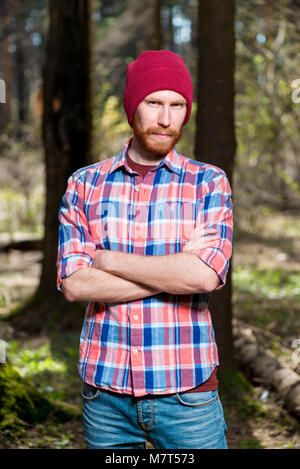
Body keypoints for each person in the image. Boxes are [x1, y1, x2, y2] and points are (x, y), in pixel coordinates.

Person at [57, 50, 233, 449]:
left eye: (178, 105)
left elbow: (205, 276)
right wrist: (176, 273)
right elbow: (74, 284)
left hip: (188, 393)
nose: (167, 118)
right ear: (132, 107)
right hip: (105, 394)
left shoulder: (208, 183)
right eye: (154, 103)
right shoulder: (84, 185)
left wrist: (108, 260)